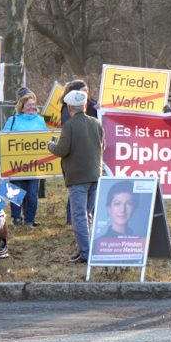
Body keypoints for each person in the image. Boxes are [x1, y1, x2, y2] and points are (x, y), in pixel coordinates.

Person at [47, 90, 105, 263]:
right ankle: (90, 249)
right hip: (95, 174)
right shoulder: (96, 122)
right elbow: (103, 146)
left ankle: (86, 254)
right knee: (88, 214)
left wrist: (50, 145)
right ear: (85, 105)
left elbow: (62, 150)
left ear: (70, 107)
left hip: (78, 177)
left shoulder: (70, 125)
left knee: (78, 216)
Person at [2, 88, 47, 226]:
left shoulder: (40, 120)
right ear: (22, 107)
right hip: (17, 163)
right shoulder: (13, 119)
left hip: (34, 164)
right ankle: (16, 218)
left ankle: (30, 220)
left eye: (33, 105)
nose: (32, 107)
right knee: (16, 191)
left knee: (33, 194)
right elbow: (4, 137)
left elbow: (46, 139)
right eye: (28, 105)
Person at [58, 79, 99, 224]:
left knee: (83, 190)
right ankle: (72, 218)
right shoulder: (67, 109)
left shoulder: (92, 104)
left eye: (87, 91)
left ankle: (85, 218)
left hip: (88, 153)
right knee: (76, 188)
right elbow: (68, 128)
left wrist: (101, 108)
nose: (86, 94)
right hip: (76, 154)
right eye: (83, 91)